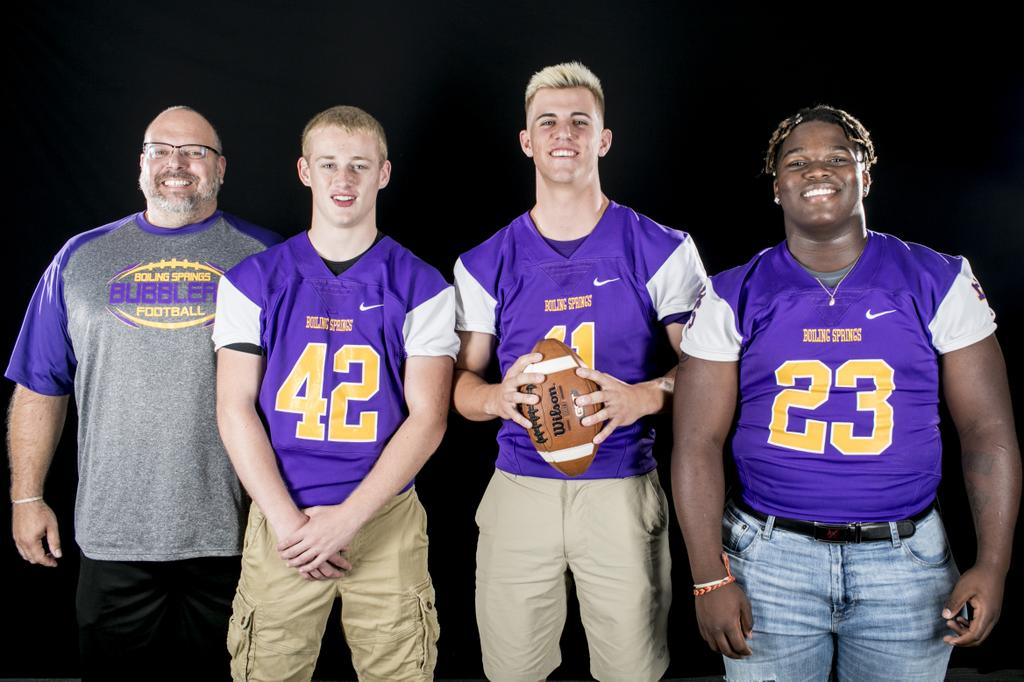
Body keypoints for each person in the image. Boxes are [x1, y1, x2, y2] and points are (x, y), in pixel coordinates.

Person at [673, 105, 1021, 681]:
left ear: (866, 175)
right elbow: (696, 441)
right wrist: (709, 576)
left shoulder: (938, 279)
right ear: (777, 185)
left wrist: (994, 563)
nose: (818, 171)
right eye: (797, 161)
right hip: (768, 557)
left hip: (906, 561)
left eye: (838, 157)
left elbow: (987, 432)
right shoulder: (731, 292)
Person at [452, 62, 707, 681]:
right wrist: (495, 399)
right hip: (519, 486)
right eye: (548, 121)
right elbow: (459, 390)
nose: (562, 133)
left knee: (631, 670)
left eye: (578, 121)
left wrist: (643, 396)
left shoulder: (662, 248)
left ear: (603, 138)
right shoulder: (485, 261)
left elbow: (710, 381)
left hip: (620, 485)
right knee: (512, 670)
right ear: (527, 140)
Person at [6, 106, 280, 680]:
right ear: (141, 165)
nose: (177, 164)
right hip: (114, 534)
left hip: (234, 534)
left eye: (195, 153)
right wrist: (27, 497)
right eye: (162, 150)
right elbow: (40, 385)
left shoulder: (269, 259)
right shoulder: (79, 259)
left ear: (221, 168)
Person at [214, 105, 455, 682]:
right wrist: (290, 524)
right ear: (304, 171)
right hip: (282, 518)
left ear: (384, 173)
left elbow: (428, 419)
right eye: (329, 165)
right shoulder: (252, 280)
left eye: (358, 165)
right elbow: (233, 406)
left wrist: (345, 520)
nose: (343, 180)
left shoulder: (422, 284)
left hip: (384, 517)